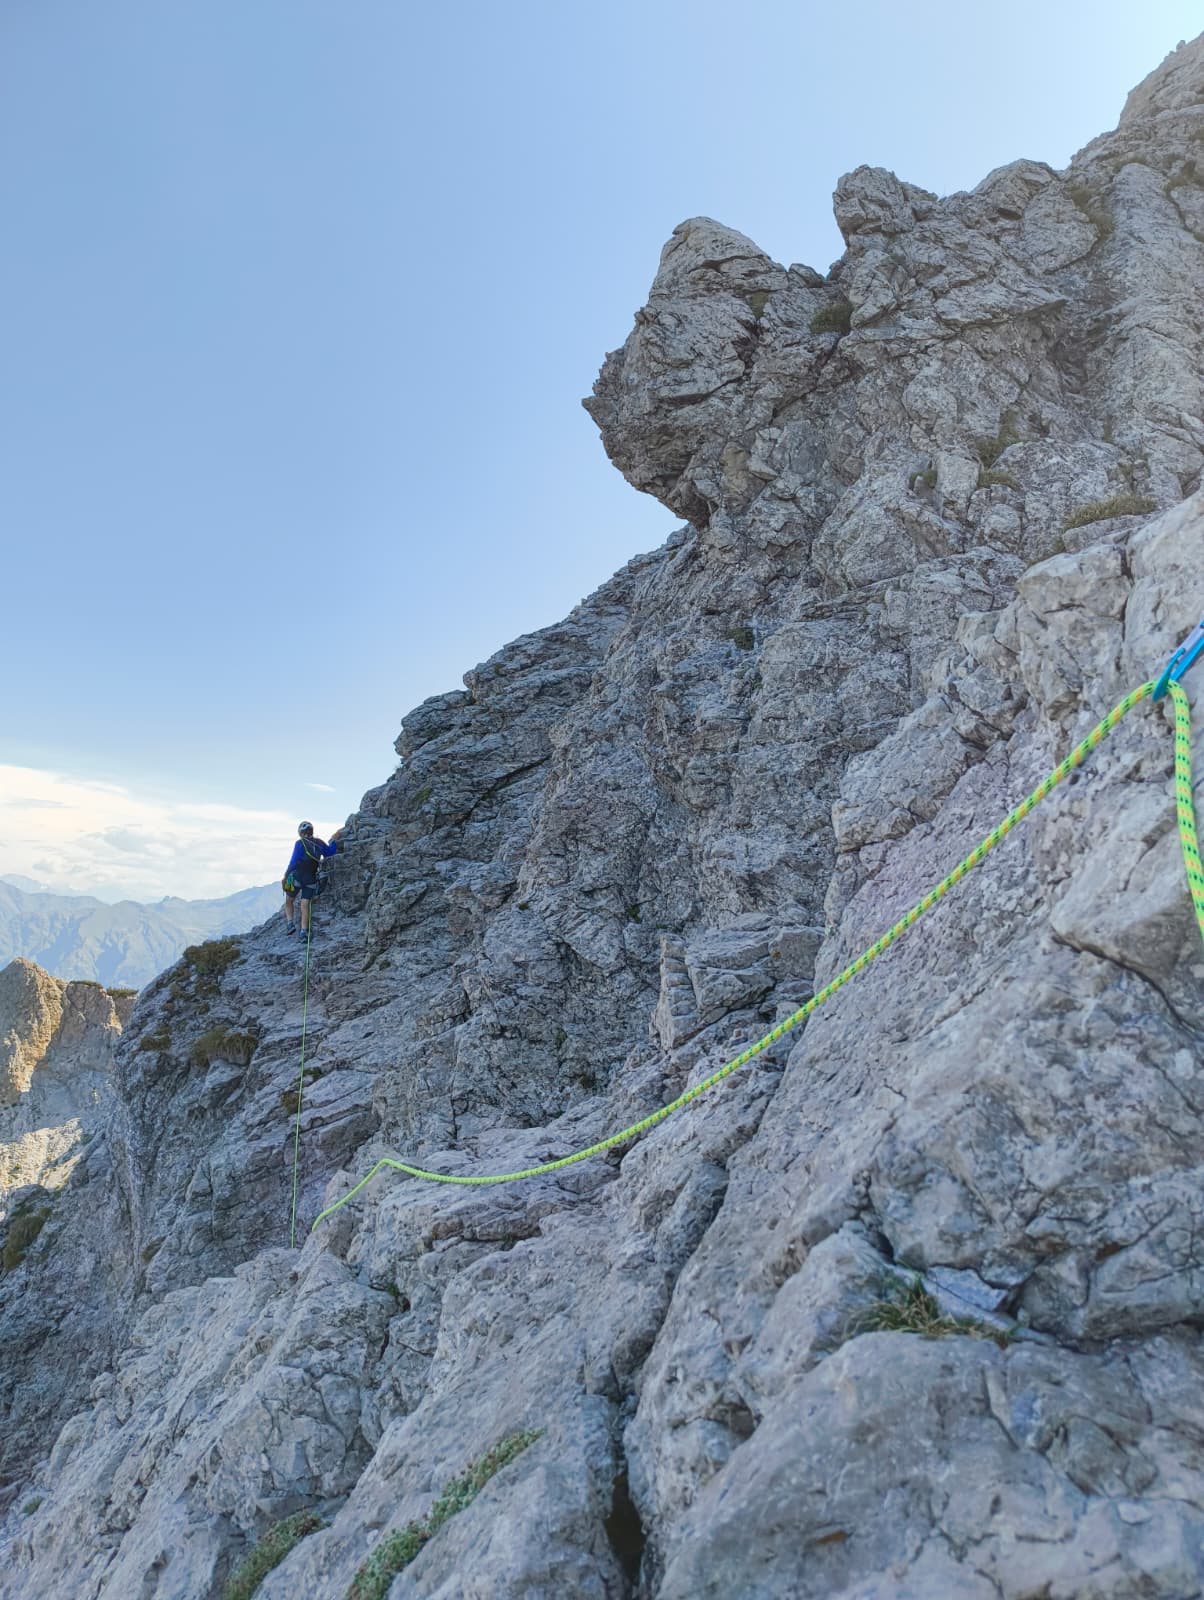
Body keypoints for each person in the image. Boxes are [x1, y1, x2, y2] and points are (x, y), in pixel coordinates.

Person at [282, 821, 343, 938]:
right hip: (311, 878)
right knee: (305, 904)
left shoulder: (299, 844)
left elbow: (293, 862)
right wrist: (333, 840)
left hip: (297, 877)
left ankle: (290, 924)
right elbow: (330, 853)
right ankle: (304, 932)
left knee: (289, 900)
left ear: (300, 833)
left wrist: (285, 876)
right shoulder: (319, 843)